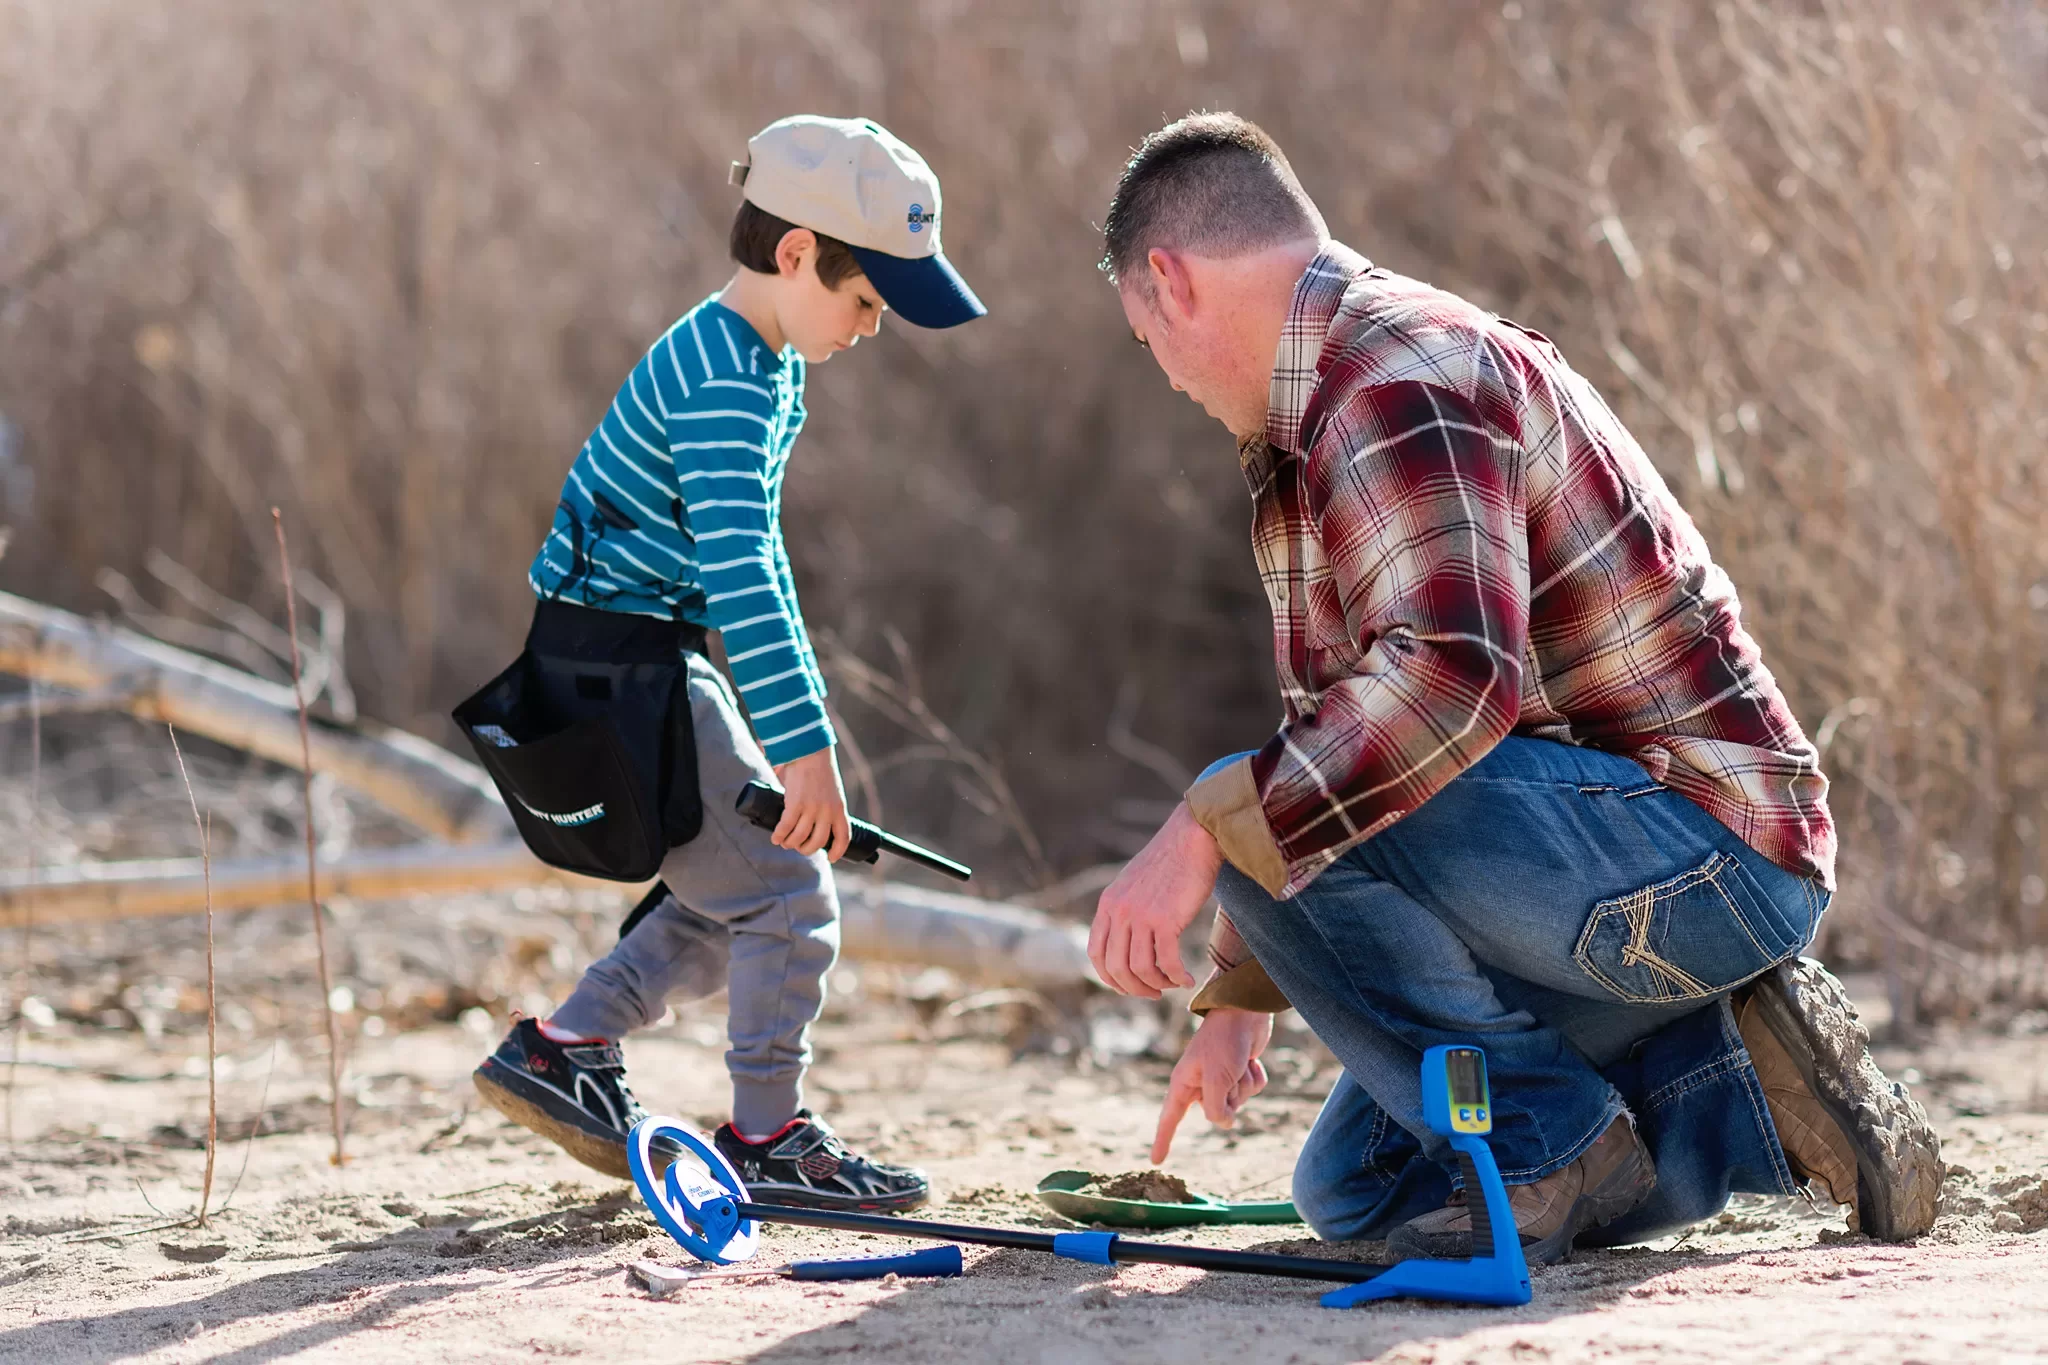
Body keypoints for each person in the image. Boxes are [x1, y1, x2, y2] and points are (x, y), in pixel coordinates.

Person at [1087, 112, 1940, 1261]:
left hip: (1706, 863)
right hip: (1604, 884)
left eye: (1147, 342)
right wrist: (1244, 987)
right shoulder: (1318, 416)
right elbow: (1348, 732)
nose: (1169, 380)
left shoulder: (1394, 376)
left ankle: (1552, 1144)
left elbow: (1445, 685)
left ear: (1169, 282)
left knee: (1247, 814)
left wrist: (1207, 825)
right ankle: (1738, 1078)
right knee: (1360, 1190)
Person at [473, 115, 985, 1211]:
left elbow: (744, 566)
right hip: (624, 667)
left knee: (728, 893)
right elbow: (744, 573)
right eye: (863, 301)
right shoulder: (728, 380)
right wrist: (804, 752)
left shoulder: (745, 354)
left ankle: (564, 1047)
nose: (871, 327)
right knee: (793, 897)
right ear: (795, 253)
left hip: (625, 654)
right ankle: (766, 1137)